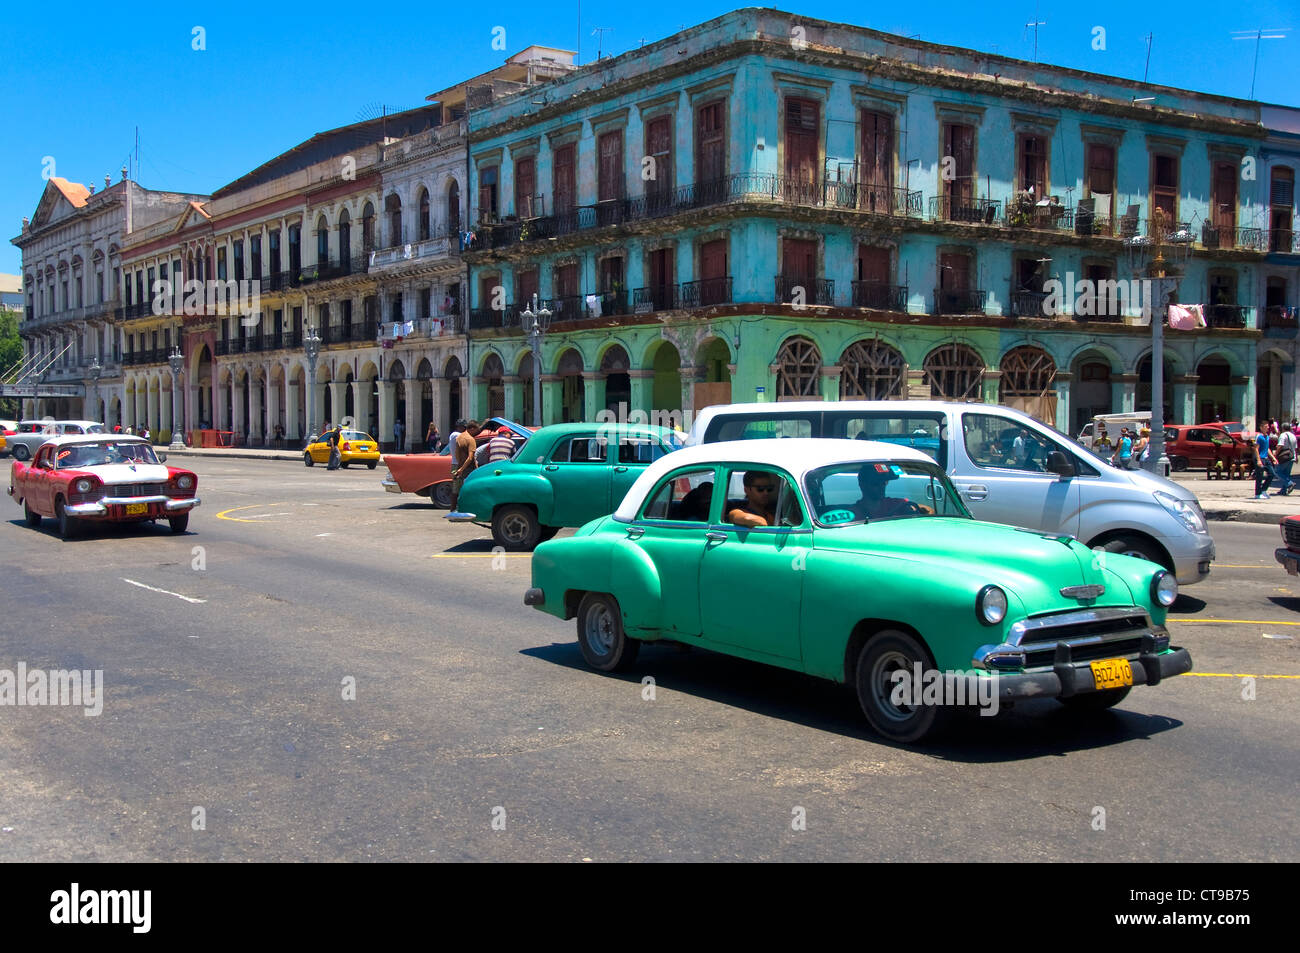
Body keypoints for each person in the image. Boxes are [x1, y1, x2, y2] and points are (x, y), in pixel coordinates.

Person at [850, 465, 928, 520]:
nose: (881, 487)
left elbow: (926, 509)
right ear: (863, 485)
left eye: (884, 483)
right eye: (876, 483)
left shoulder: (896, 503)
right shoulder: (853, 513)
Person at [450, 420, 482, 510]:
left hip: (457, 464)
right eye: (476, 430)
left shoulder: (458, 437)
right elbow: (471, 457)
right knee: (466, 487)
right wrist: (462, 469)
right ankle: (463, 508)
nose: (476, 433)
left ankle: (454, 508)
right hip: (464, 466)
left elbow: (457, 453)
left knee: (456, 488)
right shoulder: (468, 439)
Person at [1254, 428, 1276, 500]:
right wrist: (1258, 460)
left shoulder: (1267, 437)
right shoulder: (1259, 436)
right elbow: (1256, 448)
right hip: (1260, 458)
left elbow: (1267, 448)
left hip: (1266, 459)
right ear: (1261, 427)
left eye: (1267, 427)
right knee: (1259, 477)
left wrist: (1273, 458)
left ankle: (1263, 490)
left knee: (1272, 474)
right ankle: (1257, 494)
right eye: (1265, 426)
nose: (1267, 428)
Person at [1277, 423, 1297, 496]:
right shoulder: (1293, 435)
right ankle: (1284, 490)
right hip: (1292, 456)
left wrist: (1276, 454)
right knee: (1286, 474)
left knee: (1278, 472)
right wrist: (1296, 457)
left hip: (1285, 456)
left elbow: (1280, 445)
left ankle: (1290, 483)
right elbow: (1296, 448)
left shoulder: (1283, 435)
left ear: (1283, 428)